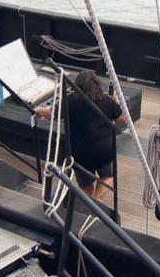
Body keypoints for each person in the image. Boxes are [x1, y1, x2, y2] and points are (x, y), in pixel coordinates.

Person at [36, 71, 125, 201]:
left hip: (81, 153)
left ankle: (90, 203)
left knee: (85, 184)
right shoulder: (107, 101)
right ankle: (97, 201)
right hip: (103, 150)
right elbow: (121, 119)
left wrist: (39, 109)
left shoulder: (70, 101)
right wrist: (117, 103)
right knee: (108, 177)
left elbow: (53, 115)